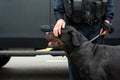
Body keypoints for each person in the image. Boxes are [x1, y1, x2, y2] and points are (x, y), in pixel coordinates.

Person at [52, 0, 114, 80]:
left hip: (96, 27)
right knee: (75, 67)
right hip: (75, 28)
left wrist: (107, 20)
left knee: (97, 68)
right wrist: (59, 18)